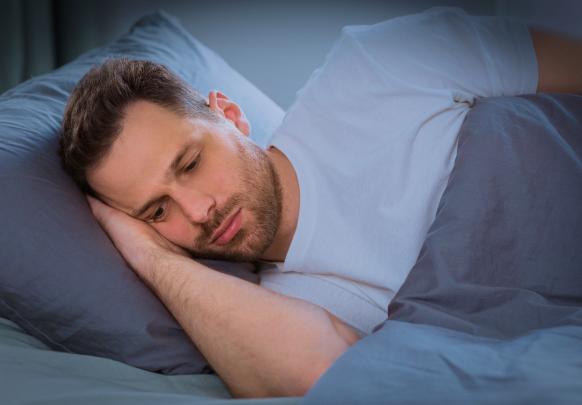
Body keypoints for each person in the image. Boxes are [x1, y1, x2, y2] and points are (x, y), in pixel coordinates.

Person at [59, 7, 582, 399]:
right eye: (157, 212)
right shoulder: (284, 313)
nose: (197, 211)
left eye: (191, 163)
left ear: (230, 115)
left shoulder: (378, 67)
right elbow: (321, 374)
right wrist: (148, 255)